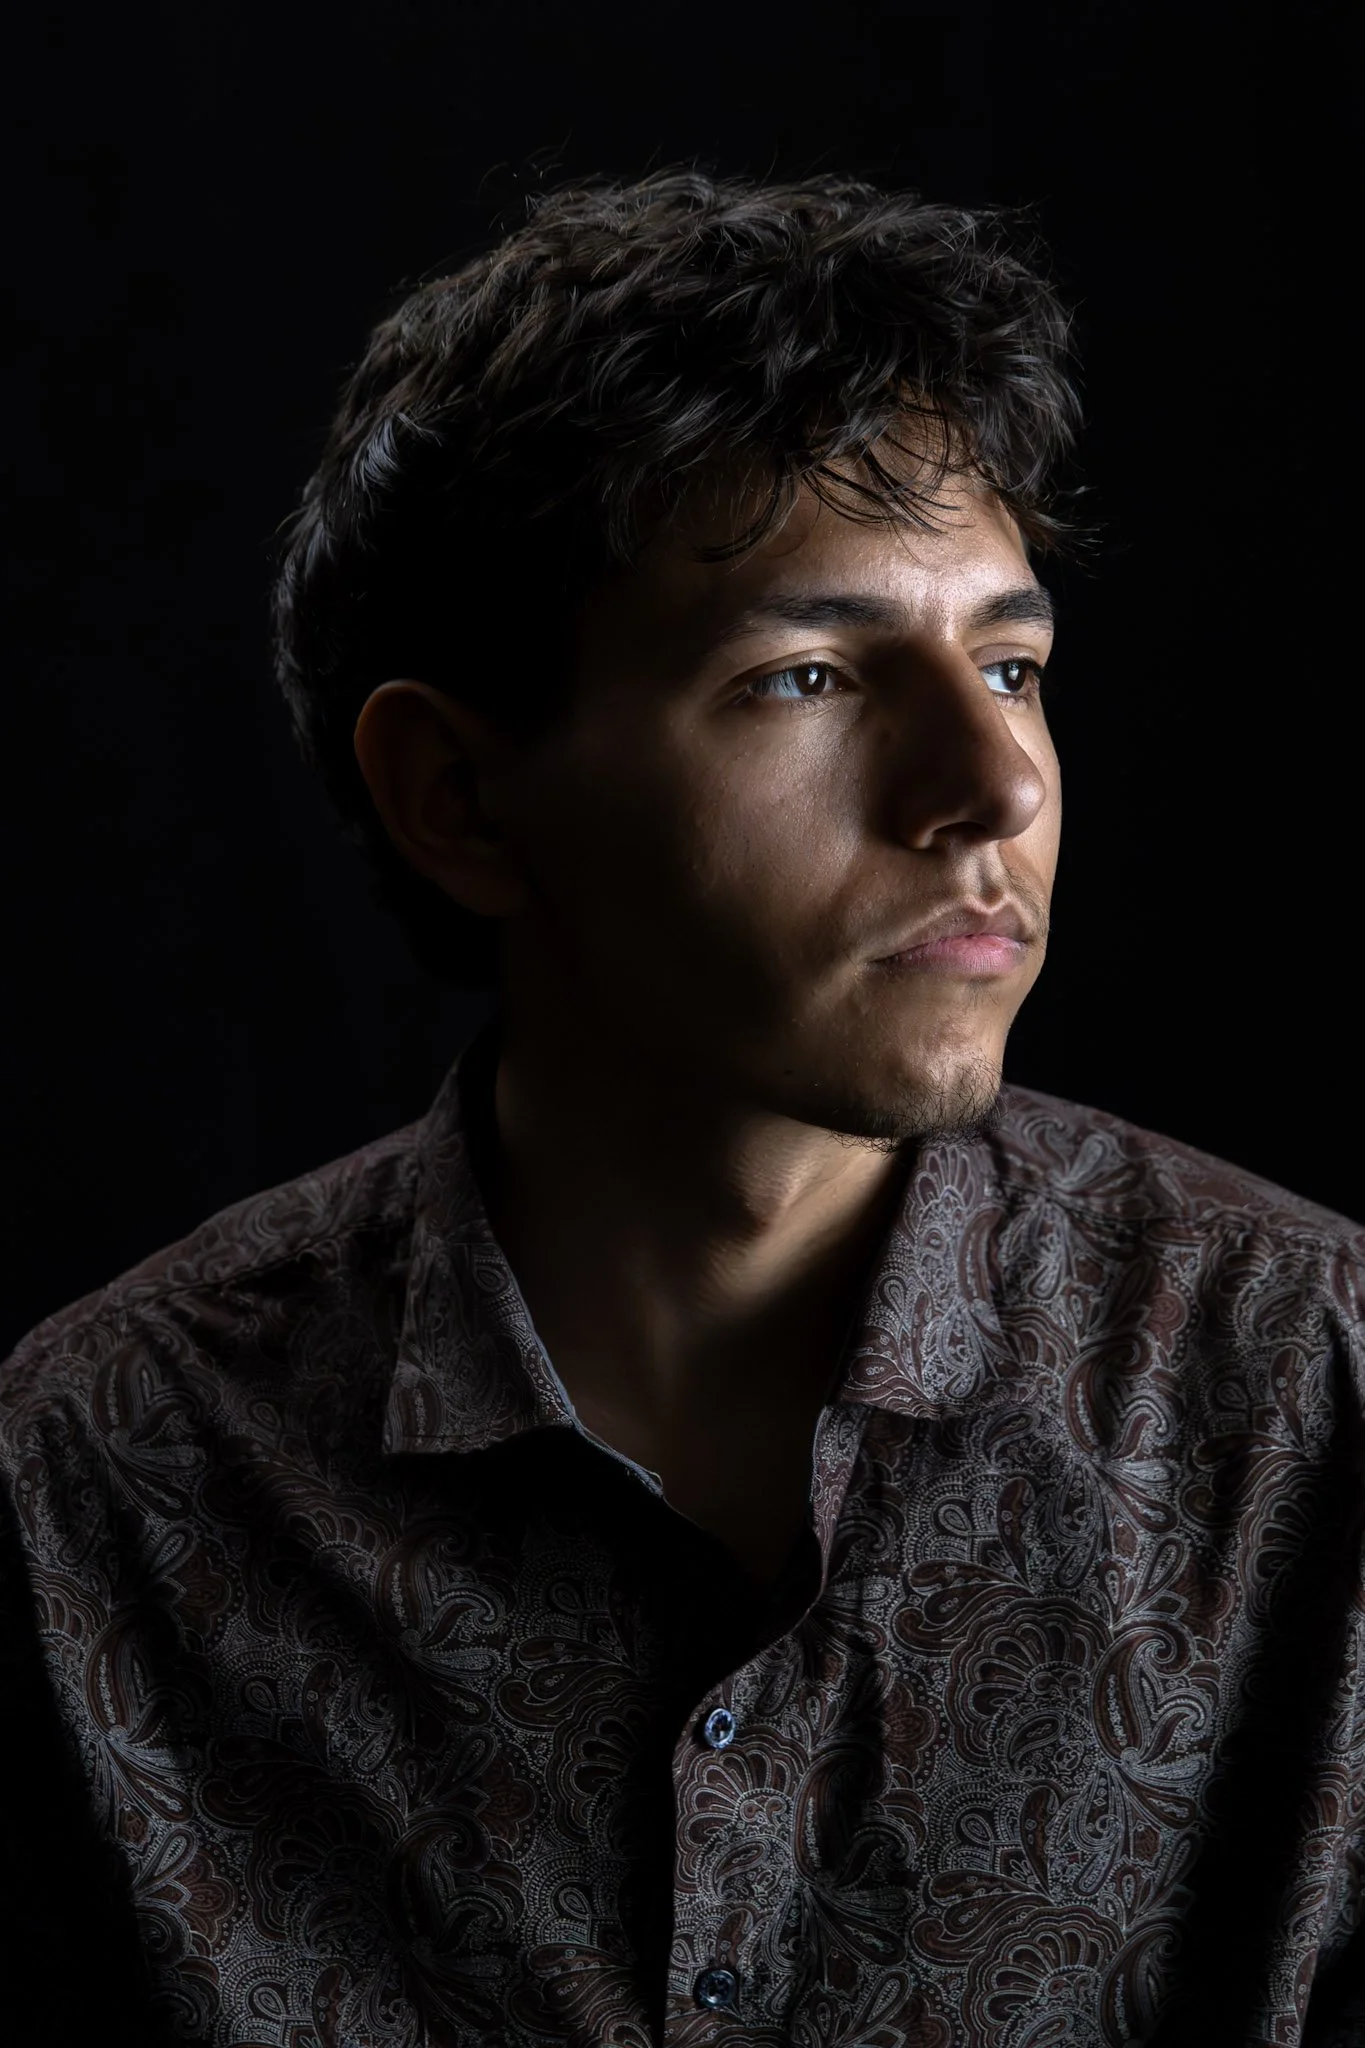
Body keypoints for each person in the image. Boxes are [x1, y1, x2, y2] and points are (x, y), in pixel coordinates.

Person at [2, 167, 1362, 2048]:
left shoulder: (1313, 1391)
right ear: (459, 800)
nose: (991, 789)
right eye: (807, 676)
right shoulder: (94, 1482)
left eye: (1012, 665)